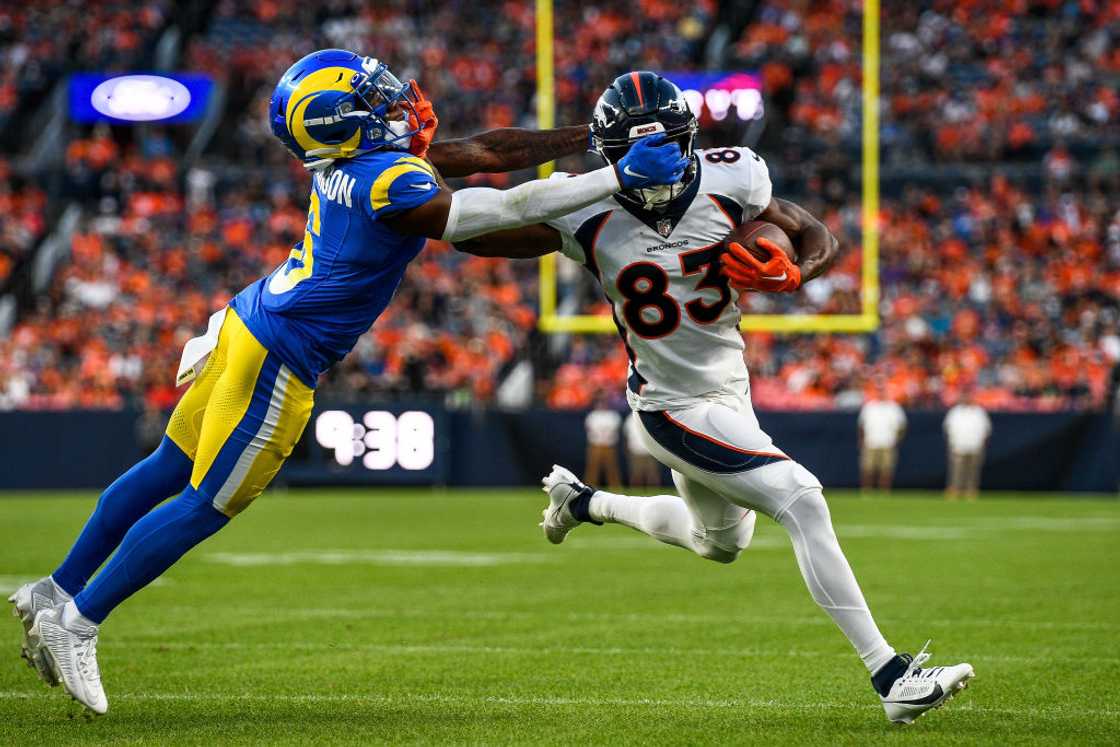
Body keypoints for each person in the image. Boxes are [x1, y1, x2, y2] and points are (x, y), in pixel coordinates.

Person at [8, 49, 689, 715]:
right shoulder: (388, 180)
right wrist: (615, 180)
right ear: (341, 121)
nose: (394, 101)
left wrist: (593, 140)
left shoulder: (363, 165)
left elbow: (484, 151)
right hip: (280, 353)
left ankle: (55, 587)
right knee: (203, 503)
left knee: (165, 466)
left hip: (251, 319)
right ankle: (79, 619)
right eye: (373, 99)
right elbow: (494, 212)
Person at [456, 71, 973, 724]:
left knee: (718, 542)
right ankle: (891, 675)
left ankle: (585, 502)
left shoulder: (734, 176)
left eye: (673, 143)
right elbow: (469, 227)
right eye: (644, 149)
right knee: (802, 497)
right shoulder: (581, 208)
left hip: (731, 387)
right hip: (668, 401)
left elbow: (814, 234)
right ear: (609, 154)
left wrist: (796, 272)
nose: (663, 160)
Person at [858, 385, 907, 493]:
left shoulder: (894, 407)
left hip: (888, 442)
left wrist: (896, 440)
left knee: (886, 469)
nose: (881, 393)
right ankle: (867, 491)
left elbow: (902, 426)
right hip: (871, 442)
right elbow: (861, 426)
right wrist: (862, 440)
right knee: (868, 468)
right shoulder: (869, 406)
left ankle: (884, 491)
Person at [943, 391, 991, 500]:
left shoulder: (979, 412)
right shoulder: (955, 412)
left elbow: (986, 430)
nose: (966, 399)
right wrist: (952, 443)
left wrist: (982, 444)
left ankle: (971, 490)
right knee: (956, 470)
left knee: (973, 470)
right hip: (958, 445)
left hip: (975, 445)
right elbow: (947, 428)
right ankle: (955, 490)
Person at [584, 397, 623, 487]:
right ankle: (590, 487)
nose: (602, 405)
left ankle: (615, 487)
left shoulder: (613, 415)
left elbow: (614, 429)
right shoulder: (593, 415)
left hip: (609, 445)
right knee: (593, 468)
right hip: (595, 445)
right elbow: (589, 429)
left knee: (612, 468)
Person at [624, 410, 661, 487]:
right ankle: (635, 492)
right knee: (636, 474)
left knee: (652, 474)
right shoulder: (630, 418)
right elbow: (627, 435)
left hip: (649, 450)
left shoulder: (647, 416)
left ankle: (653, 492)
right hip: (636, 450)